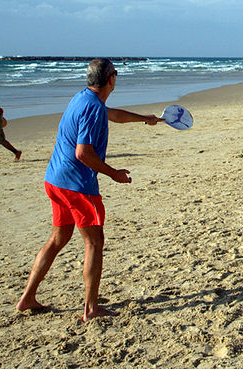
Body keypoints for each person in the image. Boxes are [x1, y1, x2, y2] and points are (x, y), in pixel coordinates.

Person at [16, 59, 163, 322]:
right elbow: (83, 153)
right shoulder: (93, 108)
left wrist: (145, 119)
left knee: (58, 239)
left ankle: (27, 298)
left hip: (55, 180)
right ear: (111, 79)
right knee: (94, 242)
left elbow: (112, 114)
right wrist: (113, 173)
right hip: (77, 186)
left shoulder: (83, 98)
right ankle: (90, 309)